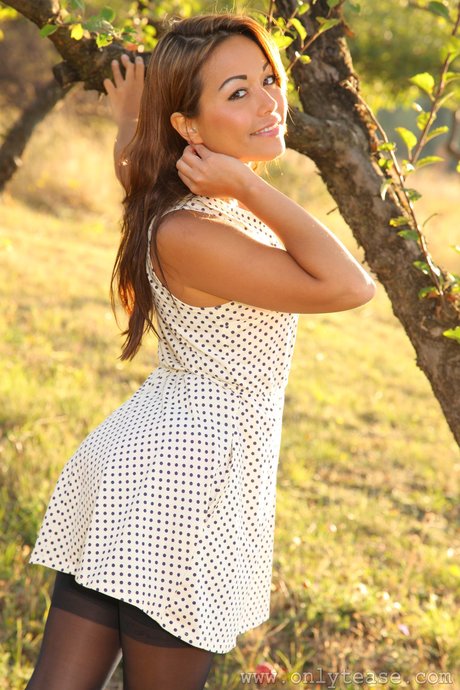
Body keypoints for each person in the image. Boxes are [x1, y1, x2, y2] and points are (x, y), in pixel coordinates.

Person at [25, 12, 376, 690]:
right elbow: (349, 286)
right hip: (185, 487)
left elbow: (135, 168)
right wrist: (249, 183)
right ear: (189, 127)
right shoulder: (197, 229)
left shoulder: (173, 198)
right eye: (237, 92)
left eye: (269, 80)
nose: (270, 102)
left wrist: (133, 118)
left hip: (151, 465)